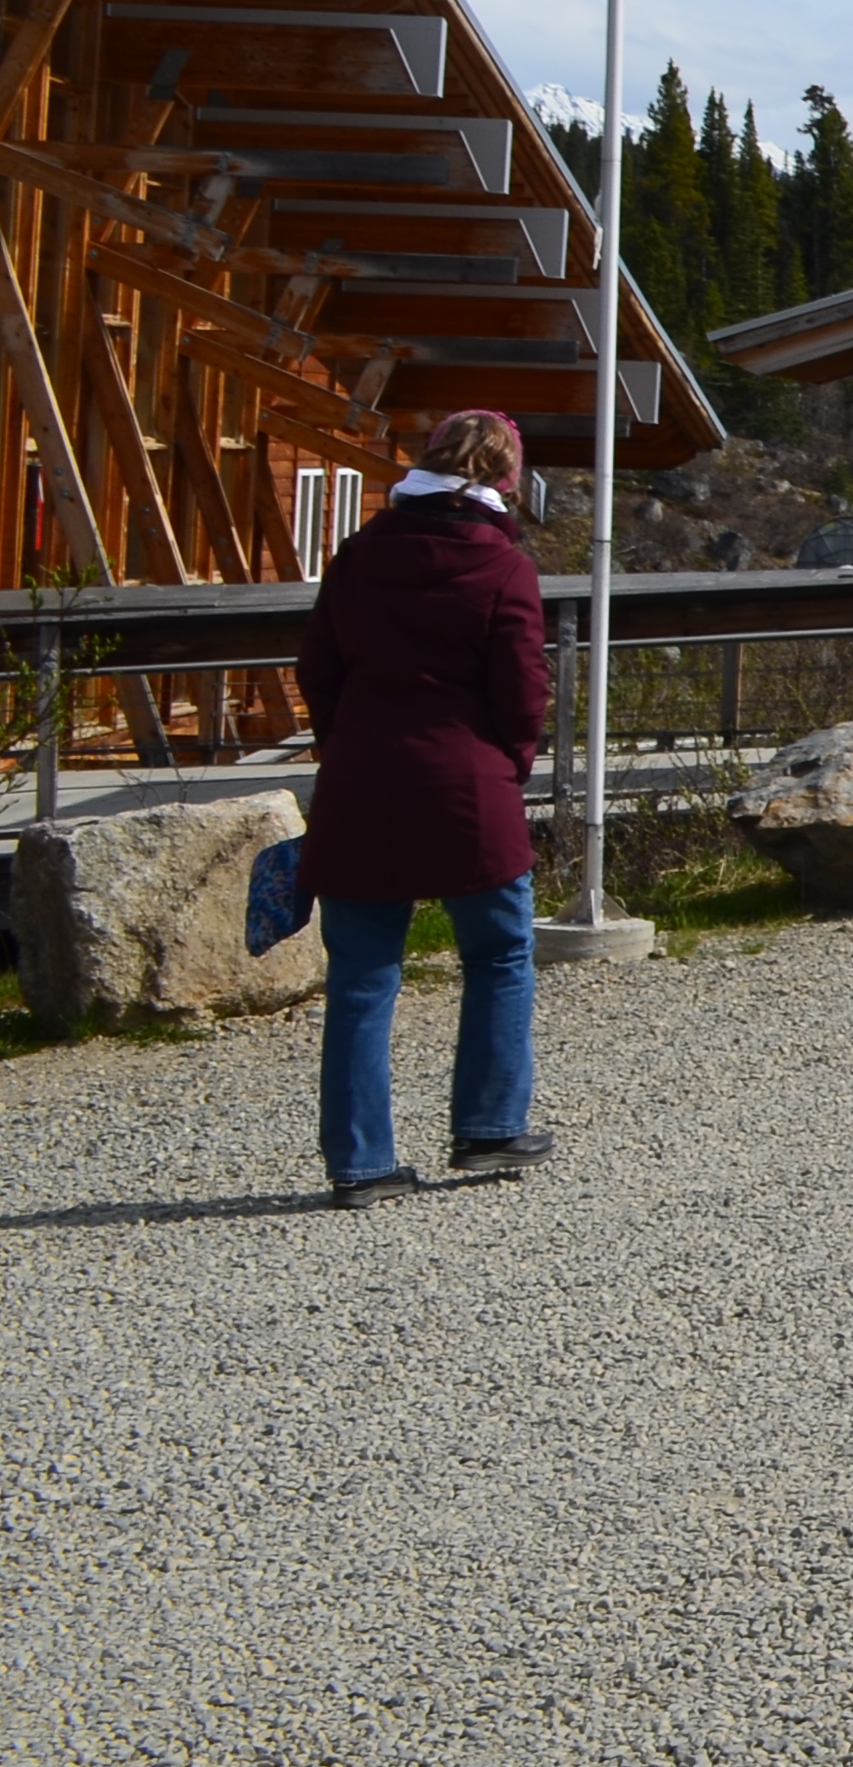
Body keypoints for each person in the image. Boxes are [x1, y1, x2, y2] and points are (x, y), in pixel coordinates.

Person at [292, 409, 554, 1207]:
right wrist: (508, 761)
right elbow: (521, 691)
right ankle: (486, 1126)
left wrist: (345, 743)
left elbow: (319, 667)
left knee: (363, 979)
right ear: (504, 479)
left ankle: (361, 1164)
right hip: (467, 786)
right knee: (499, 956)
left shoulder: (358, 556)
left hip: (363, 781)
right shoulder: (504, 568)